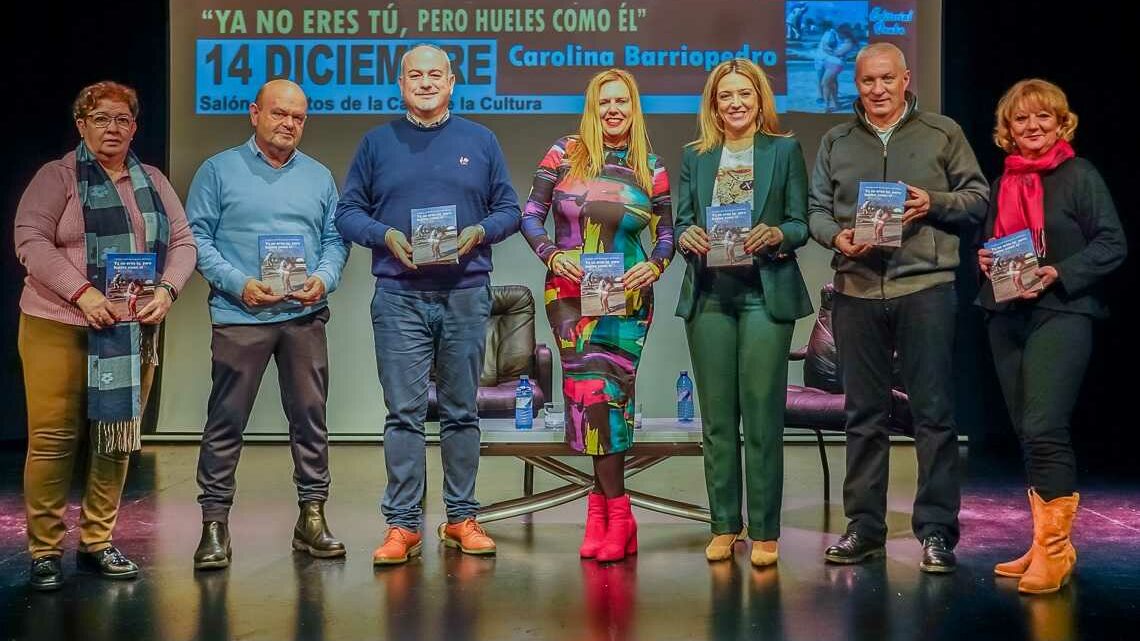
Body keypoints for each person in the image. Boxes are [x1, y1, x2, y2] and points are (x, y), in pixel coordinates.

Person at [335, 44, 521, 565]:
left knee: (462, 412)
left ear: (452, 82)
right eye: (414, 75)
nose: (425, 82)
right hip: (399, 297)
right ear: (401, 84)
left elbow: (509, 209)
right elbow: (347, 213)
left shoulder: (480, 140)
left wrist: (479, 231)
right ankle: (403, 525)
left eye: (435, 74)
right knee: (404, 414)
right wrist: (385, 236)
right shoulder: (377, 143)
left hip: (465, 292)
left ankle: (461, 517)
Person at [807, 43, 989, 573]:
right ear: (856, 84)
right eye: (868, 81)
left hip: (924, 287)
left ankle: (937, 533)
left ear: (906, 79)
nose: (879, 89)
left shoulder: (942, 132)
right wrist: (835, 237)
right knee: (864, 415)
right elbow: (817, 210)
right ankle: (864, 528)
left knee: (933, 414)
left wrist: (933, 202)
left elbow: (977, 198)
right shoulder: (837, 140)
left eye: (888, 78)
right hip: (857, 289)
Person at [14, 81, 197, 590]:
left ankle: (98, 541)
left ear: (134, 127)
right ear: (81, 125)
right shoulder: (56, 177)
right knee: (53, 440)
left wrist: (168, 289)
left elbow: (184, 242)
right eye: (100, 119)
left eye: (122, 119)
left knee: (116, 436)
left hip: (130, 329)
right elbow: (29, 239)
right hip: (58, 323)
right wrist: (82, 293)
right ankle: (45, 551)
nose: (112, 128)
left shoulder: (152, 180)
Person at [186, 79, 349, 570]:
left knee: (310, 420)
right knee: (226, 421)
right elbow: (196, 238)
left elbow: (335, 239)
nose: (288, 124)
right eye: (279, 113)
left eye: (298, 117)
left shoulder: (319, 176)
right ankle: (214, 525)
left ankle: (312, 518)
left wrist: (324, 279)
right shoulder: (218, 170)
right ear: (254, 113)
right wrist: (239, 283)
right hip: (241, 316)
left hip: (303, 317)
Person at [977, 79, 1126, 594]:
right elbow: (994, 243)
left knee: (1044, 427)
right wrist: (985, 257)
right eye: (1021, 119)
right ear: (1007, 130)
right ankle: (1044, 543)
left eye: (1043, 116)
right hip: (1007, 315)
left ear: (1062, 123)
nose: (1032, 126)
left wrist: (1059, 271)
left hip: (1062, 311)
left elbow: (1112, 243)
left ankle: (1057, 553)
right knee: (1027, 430)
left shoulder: (1079, 175)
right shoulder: (1003, 182)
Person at [521, 68, 674, 563]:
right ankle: (605, 512)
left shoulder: (651, 167)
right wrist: (550, 253)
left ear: (633, 109)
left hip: (626, 299)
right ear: (592, 107)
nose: (613, 110)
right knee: (587, 398)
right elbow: (530, 215)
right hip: (569, 296)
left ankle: (613, 513)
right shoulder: (563, 154)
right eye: (604, 102)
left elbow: (667, 235)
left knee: (611, 399)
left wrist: (655, 266)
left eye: (621, 102)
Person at [674, 59, 813, 566]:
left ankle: (766, 530)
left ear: (759, 100)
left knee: (760, 415)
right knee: (716, 420)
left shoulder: (783, 150)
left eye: (744, 94)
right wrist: (688, 236)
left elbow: (799, 223)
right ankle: (724, 525)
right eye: (725, 96)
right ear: (714, 105)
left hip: (764, 295)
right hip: (710, 296)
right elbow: (682, 223)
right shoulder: (695, 156)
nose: (735, 103)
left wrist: (776, 234)